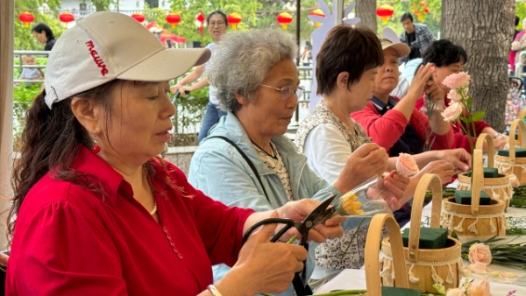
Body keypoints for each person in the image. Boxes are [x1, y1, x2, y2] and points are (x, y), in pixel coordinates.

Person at [6, 12, 345, 295]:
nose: (169, 108)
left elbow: (222, 226)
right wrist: (234, 287)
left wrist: (282, 218)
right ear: (88, 112)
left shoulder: (158, 175)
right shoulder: (65, 211)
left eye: (167, 92)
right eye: (151, 96)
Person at [187, 28, 408, 295]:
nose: (293, 101)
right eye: (283, 90)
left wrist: (373, 195)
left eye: (295, 89)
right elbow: (268, 240)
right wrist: (345, 182)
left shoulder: (281, 148)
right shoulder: (216, 158)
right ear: (242, 93)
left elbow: (327, 215)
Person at [295, 26, 462, 285]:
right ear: (343, 80)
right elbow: (351, 206)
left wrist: (428, 160)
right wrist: (419, 181)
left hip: (365, 258)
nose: (374, 84)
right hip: (341, 271)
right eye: (371, 76)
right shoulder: (324, 131)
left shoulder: (348, 123)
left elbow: (380, 167)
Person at [415, 40, 508, 151]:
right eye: (454, 70)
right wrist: (491, 144)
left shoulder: (448, 99)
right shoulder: (424, 103)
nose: (460, 75)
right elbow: (451, 140)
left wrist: (497, 136)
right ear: (433, 70)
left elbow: (471, 122)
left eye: (461, 70)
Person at [171, 10, 228, 144]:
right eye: (212, 23)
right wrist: (180, 84)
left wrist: (191, 88)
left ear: (226, 26)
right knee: (203, 139)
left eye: (219, 23)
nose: (216, 26)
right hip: (213, 104)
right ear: (208, 27)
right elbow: (198, 71)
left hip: (228, 106)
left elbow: (213, 78)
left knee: (227, 141)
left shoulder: (230, 49)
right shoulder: (210, 48)